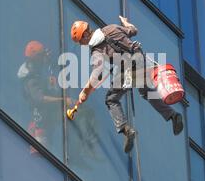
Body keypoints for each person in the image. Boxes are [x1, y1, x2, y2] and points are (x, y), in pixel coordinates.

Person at [70, 16, 184, 154]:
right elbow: (133, 31)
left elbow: (96, 75)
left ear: (84, 36)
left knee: (111, 99)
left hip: (128, 70)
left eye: (80, 42)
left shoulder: (96, 51)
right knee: (146, 92)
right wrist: (126, 23)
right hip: (140, 61)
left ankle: (126, 130)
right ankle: (173, 115)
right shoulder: (111, 28)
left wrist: (85, 92)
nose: (82, 45)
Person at [18, 41, 72, 154]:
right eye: (41, 56)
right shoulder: (30, 79)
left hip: (46, 122)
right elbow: (40, 99)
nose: (44, 57)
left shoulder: (35, 69)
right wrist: (63, 101)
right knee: (40, 155)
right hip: (40, 127)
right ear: (36, 58)